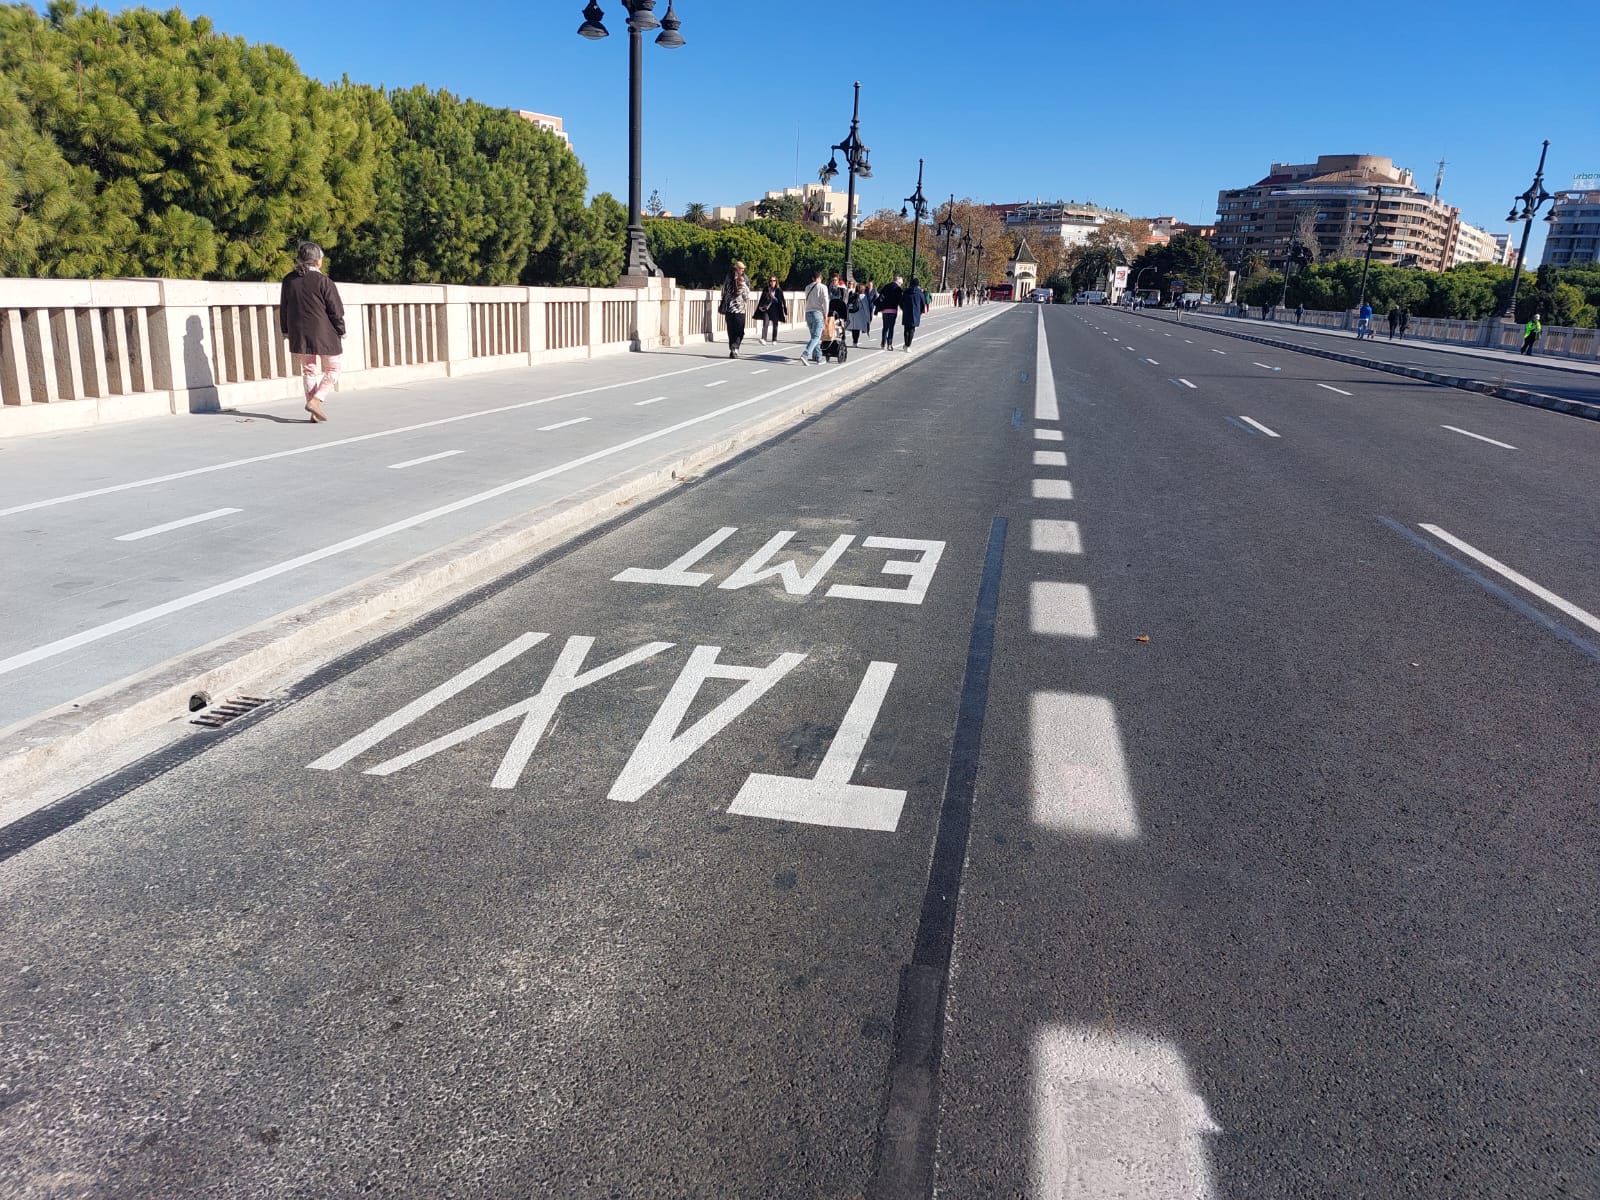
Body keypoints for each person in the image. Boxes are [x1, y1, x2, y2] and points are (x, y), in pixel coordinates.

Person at [279, 241, 345, 423]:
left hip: (299, 333)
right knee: (333, 369)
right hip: (325, 333)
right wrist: (341, 329)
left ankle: (313, 410)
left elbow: (284, 307)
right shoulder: (324, 281)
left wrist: (286, 330)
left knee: (309, 370)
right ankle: (316, 401)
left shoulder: (288, 280)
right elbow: (336, 310)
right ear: (318, 261)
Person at [720, 260, 753, 358]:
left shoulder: (743, 279)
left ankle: (734, 348)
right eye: (741, 268)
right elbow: (746, 297)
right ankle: (734, 348)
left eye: (743, 269)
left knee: (737, 331)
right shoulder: (730, 278)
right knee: (734, 331)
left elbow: (747, 296)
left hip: (738, 310)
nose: (742, 270)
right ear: (736, 268)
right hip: (733, 309)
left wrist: (743, 287)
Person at [799, 269, 829, 365]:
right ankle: (806, 354)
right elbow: (826, 301)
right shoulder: (823, 287)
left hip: (808, 312)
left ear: (812, 278)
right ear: (820, 278)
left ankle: (819, 357)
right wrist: (826, 314)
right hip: (818, 313)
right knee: (817, 336)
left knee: (814, 336)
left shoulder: (807, 287)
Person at [755, 275, 787, 344]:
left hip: (775, 308)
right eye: (771, 281)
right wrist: (760, 306)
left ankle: (774, 339)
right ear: (769, 282)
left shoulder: (778, 290)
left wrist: (774, 297)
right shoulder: (766, 289)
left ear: (776, 282)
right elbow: (762, 298)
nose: (772, 282)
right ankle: (763, 339)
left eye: (774, 281)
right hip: (766, 308)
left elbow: (781, 301)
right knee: (765, 323)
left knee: (775, 324)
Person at [878, 276, 904, 349]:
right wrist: (903, 308)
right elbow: (900, 300)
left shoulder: (886, 286)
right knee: (891, 327)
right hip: (893, 310)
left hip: (885, 310)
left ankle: (883, 342)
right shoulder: (898, 289)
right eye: (901, 284)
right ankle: (889, 344)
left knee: (885, 327)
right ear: (898, 282)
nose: (901, 285)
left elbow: (881, 295)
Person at [900, 277, 925, 350]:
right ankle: (908, 345)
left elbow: (901, 302)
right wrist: (919, 312)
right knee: (912, 330)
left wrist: (903, 309)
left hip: (907, 312)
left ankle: (906, 344)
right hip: (915, 313)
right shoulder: (919, 293)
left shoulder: (906, 292)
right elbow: (923, 304)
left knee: (906, 329)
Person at [847, 281, 873, 346]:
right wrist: (868, 318)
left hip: (852, 314)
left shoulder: (853, 295)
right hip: (859, 315)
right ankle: (855, 342)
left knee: (854, 329)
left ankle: (854, 341)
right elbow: (866, 308)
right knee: (857, 329)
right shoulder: (863, 296)